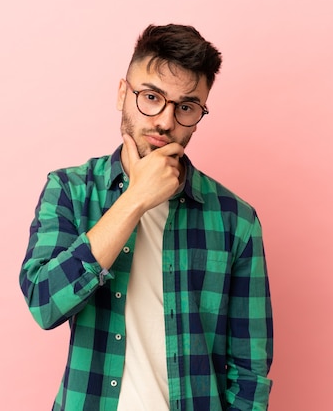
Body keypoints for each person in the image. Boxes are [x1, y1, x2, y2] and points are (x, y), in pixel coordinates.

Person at [19, 24, 273, 411]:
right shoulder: (70, 190)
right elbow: (44, 302)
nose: (165, 121)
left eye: (186, 107)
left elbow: (250, 368)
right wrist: (134, 199)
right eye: (151, 97)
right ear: (123, 93)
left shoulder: (235, 220)